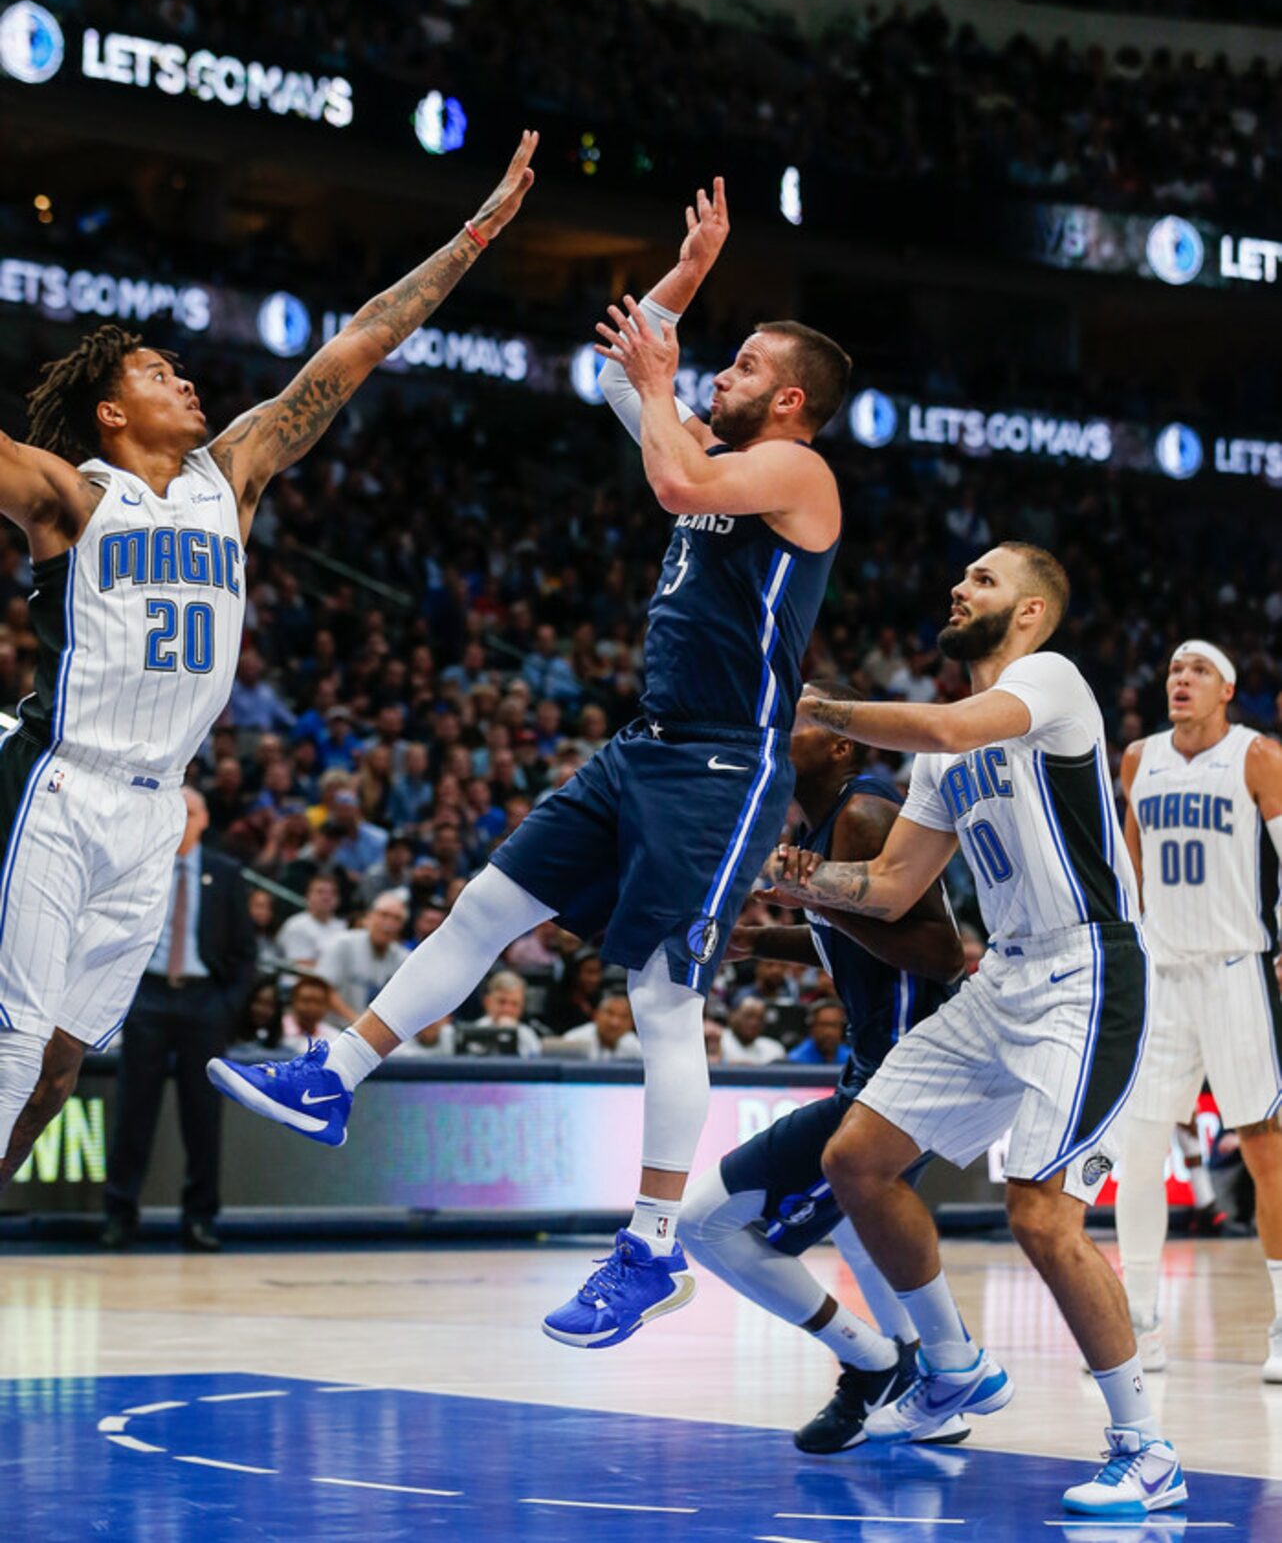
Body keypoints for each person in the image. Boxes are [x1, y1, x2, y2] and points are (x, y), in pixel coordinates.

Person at [207, 178, 850, 1352]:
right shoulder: (704, 438)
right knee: (485, 905)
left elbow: (673, 476)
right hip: (647, 746)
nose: (721, 368)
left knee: (661, 993)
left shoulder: (797, 478)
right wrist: (686, 277)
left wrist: (662, 387)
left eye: (745, 362)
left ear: (791, 397)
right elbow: (612, 377)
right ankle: (334, 1076)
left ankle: (648, 1250)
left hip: (725, 766)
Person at [0, 128, 537, 1195]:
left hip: (159, 810)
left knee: (61, 1064)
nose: (185, 380)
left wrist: (475, 233)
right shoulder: (73, 495)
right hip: (60, 784)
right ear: (112, 412)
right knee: (13, 1045)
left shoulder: (231, 473)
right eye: (159, 372)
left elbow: (359, 345)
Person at [764, 544, 1185, 1519]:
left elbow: (950, 716)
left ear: (1030, 613)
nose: (960, 586)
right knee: (857, 1158)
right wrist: (802, 880)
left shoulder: (1050, 682)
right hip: (1003, 973)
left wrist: (821, 705)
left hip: (1090, 972)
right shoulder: (940, 757)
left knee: (1041, 1216)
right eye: (959, 576)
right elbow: (894, 886)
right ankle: (951, 1366)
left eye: (985, 580)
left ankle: (1145, 1448)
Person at [681, 686, 963, 1452]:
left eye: (799, 722)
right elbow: (857, 934)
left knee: (706, 1222)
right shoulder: (829, 825)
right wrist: (762, 940)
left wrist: (814, 899)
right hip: (882, 1072)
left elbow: (941, 953)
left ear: (840, 746)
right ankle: (933, 1374)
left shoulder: (867, 813)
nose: (778, 729)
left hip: (901, 1074)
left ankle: (876, 1363)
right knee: (864, 1233)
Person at [1116, 639, 1282, 1382]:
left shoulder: (1257, 756)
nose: (1181, 680)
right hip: (1162, 974)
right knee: (1140, 1152)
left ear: (1228, 690)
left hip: (1233, 968)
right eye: (1175, 670)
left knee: (1266, 1150)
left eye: (1199, 672)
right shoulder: (1137, 760)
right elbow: (1131, 869)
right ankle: (1140, 1326)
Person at [101, 788, 257, 1250]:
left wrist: (227, 1006)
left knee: (204, 1117)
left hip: (203, 1000)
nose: (183, 819)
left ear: (205, 820)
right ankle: (120, 1214)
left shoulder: (226, 874)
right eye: (177, 811)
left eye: (191, 812)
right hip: (146, 996)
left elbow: (245, 951)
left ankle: (200, 1218)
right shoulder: (142, 864)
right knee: (134, 1112)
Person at [317, 892, 411, 1023]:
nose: (389, 923)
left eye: (397, 919)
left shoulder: (403, 959)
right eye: (383, 915)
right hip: (332, 1028)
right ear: (369, 916)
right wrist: (356, 1023)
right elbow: (323, 988)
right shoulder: (343, 942)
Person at [556, 993, 643, 1061]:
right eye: (610, 1013)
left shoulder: (634, 1045)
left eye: (623, 1016)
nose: (615, 1023)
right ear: (596, 1015)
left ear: (632, 1024)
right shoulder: (574, 1040)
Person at [716, 995, 785, 1066]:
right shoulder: (716, 1041)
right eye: (748, 1016)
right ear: (732, 1016)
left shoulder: (774, 1049)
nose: (754, 1023)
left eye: (760, 1018)